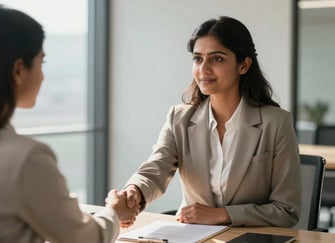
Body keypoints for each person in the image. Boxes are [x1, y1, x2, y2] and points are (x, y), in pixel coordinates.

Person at [0, 5, 137, 243]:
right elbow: (84, 239)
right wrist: (114, 212)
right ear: (18, 70)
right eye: (41, 63)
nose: (43, 76)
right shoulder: (24, 158)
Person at [117, 16, 301, 228]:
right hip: (191, 235)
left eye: (217, 59)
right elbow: (154, 170)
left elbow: (287, 211)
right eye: (198, 59)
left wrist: (222, 215)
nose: (203, 69)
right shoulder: (179, 118)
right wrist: (133, 193)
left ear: (244, 65)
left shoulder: (276, 123)